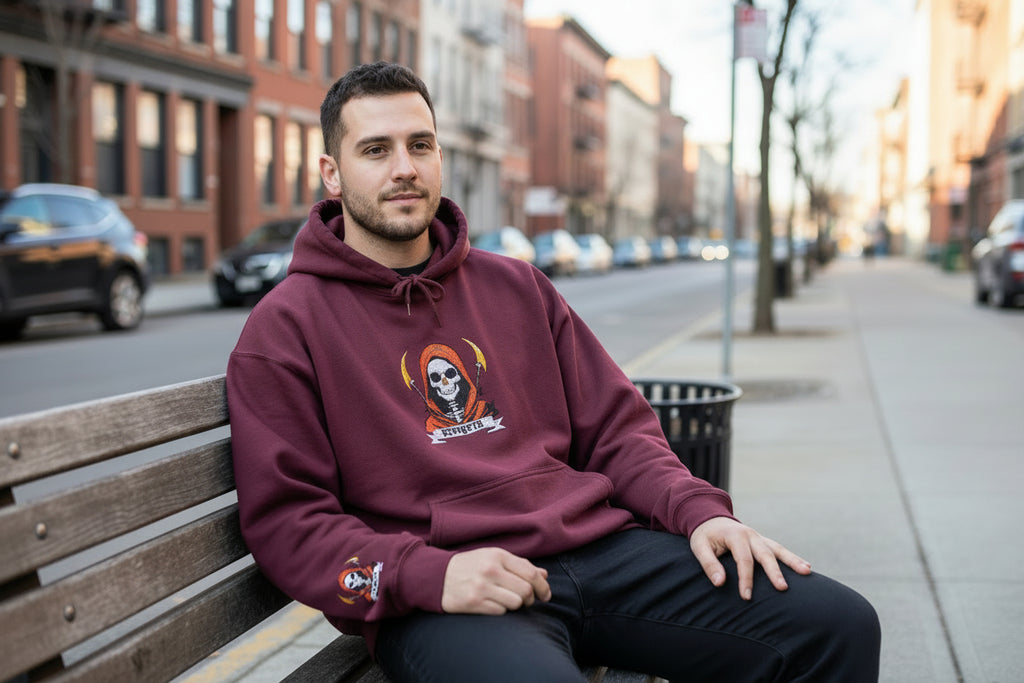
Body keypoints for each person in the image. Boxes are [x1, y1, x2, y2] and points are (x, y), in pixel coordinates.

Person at [227, 61, 880, 682]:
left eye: (420, 144)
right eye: (376, 150)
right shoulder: (287, 326)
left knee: (836, 625)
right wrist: (422, 575)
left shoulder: (518, 287)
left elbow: (620, 430)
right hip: (451, 593)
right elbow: (289, 526)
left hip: (601, 554)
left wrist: (697, 511)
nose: (405, 168)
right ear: (331, 172)